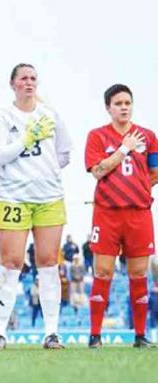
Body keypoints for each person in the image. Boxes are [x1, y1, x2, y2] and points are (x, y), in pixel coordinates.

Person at [0, 63, 72, 349]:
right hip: (12, 198)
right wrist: (27, 139)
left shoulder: (51, 114)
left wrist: (41, 172)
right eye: (23, 78)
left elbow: (64, 154)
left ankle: (52, 333)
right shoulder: (2, 117)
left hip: (49, 198)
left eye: (33, 78)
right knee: (11, 263)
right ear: (12, 84)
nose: (29, 82)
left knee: (48, 263)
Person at [84, 84, 158, 349]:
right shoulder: (97, 136)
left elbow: (155, 171)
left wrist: (136, 189)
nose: (124, 107)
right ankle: (95, 335)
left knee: (139, 274)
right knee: (103, 272)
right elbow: (98, 171)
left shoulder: (148, 136)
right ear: (108, 107)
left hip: (139, 214)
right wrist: (124, 149)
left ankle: (140, 336)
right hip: (107, 215)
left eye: (128, 102)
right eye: (118, 103)